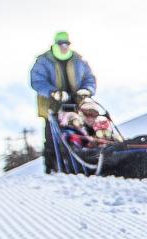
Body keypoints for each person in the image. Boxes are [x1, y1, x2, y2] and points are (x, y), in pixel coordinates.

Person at [32, 31, 98, 174]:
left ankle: (95, 157)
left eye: (66, 44)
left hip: (79, 104)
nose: (64, 46)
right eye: (61, 44)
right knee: (53, 139)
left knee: (90, 130)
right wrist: (52, 92)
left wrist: (86, 90)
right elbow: (37, 81)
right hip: (54, 106)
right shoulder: (44, 61)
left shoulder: (78, 60)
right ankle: (53, 169)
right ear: (55, 44)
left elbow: (89, 78)